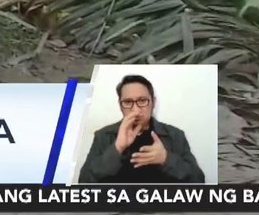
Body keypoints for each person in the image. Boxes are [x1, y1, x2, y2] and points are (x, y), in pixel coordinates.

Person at [77, 74, 206, 184]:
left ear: (153, 102)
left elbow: (199, 181)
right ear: (120, 106)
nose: (136, 110)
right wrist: (117, 148)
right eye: (128, 102)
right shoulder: (104, 136)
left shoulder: (175, 135)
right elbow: (84, 183)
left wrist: (166, 159)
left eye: (142, 100)